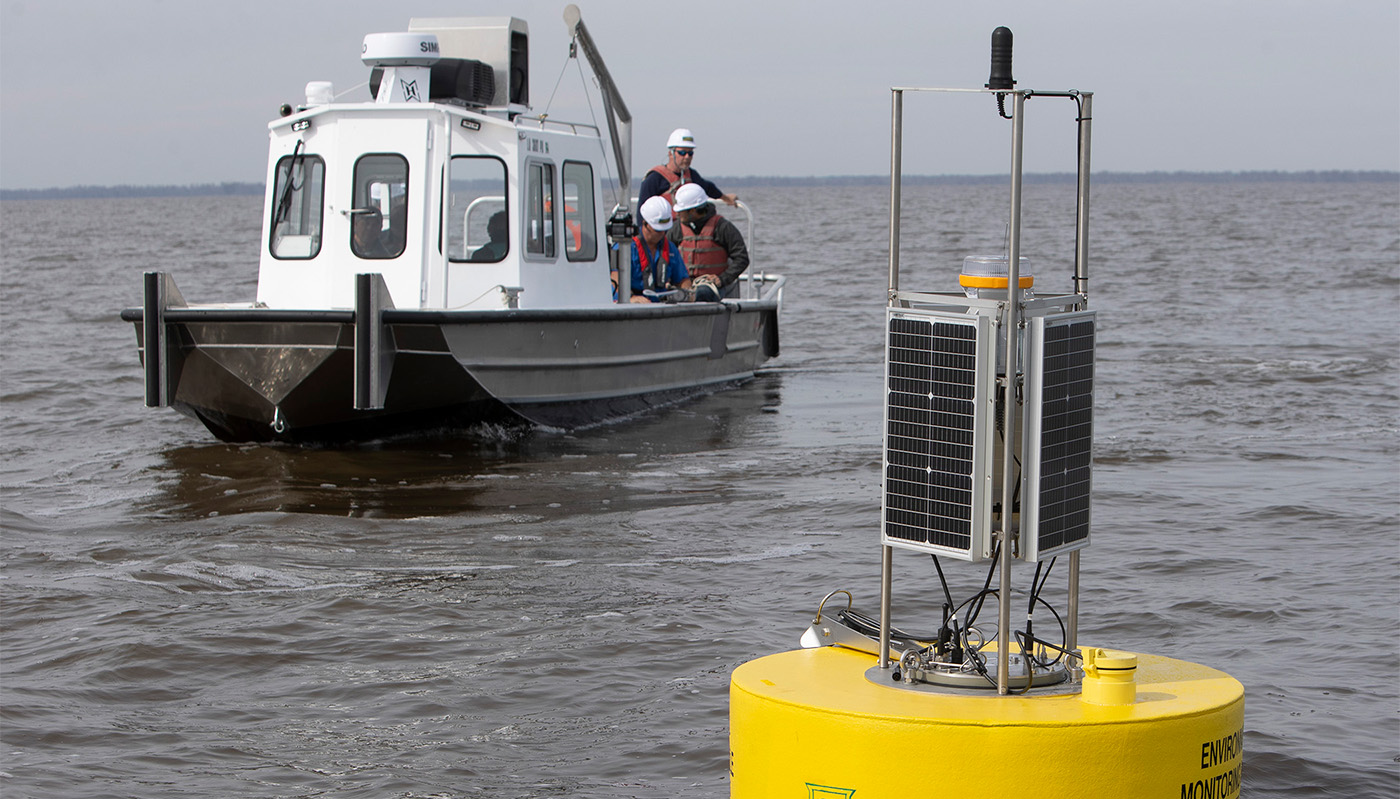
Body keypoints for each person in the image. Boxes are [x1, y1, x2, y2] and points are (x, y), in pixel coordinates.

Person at [636, 128, 737, 226]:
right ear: (671, 153)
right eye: (682, 153)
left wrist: (726, 198)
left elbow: (708, 188)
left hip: (686, 230)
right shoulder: (654, 179)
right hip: (665, 230)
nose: (687, 157)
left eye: (690, 153)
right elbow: (642, 213)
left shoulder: (692, 175)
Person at [669, 183, 749, 299]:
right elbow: (664, 255)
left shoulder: (722, 227)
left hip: (713, 287)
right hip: (683, 284)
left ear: (693, 211)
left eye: (681, 211)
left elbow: (742, 258)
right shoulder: (676, 229)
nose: (677, 214)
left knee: (703, 293)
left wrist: (722, 279)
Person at [615, 196, 691, 303]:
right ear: (645, 224)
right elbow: (614, 279)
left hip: (661, 303)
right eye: (657, 230)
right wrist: (631, 298)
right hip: (633, 304)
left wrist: (686, 292)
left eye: (665, 230)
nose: (662, 234)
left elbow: (683, 279)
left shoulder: (670, 249)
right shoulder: (625, 247)